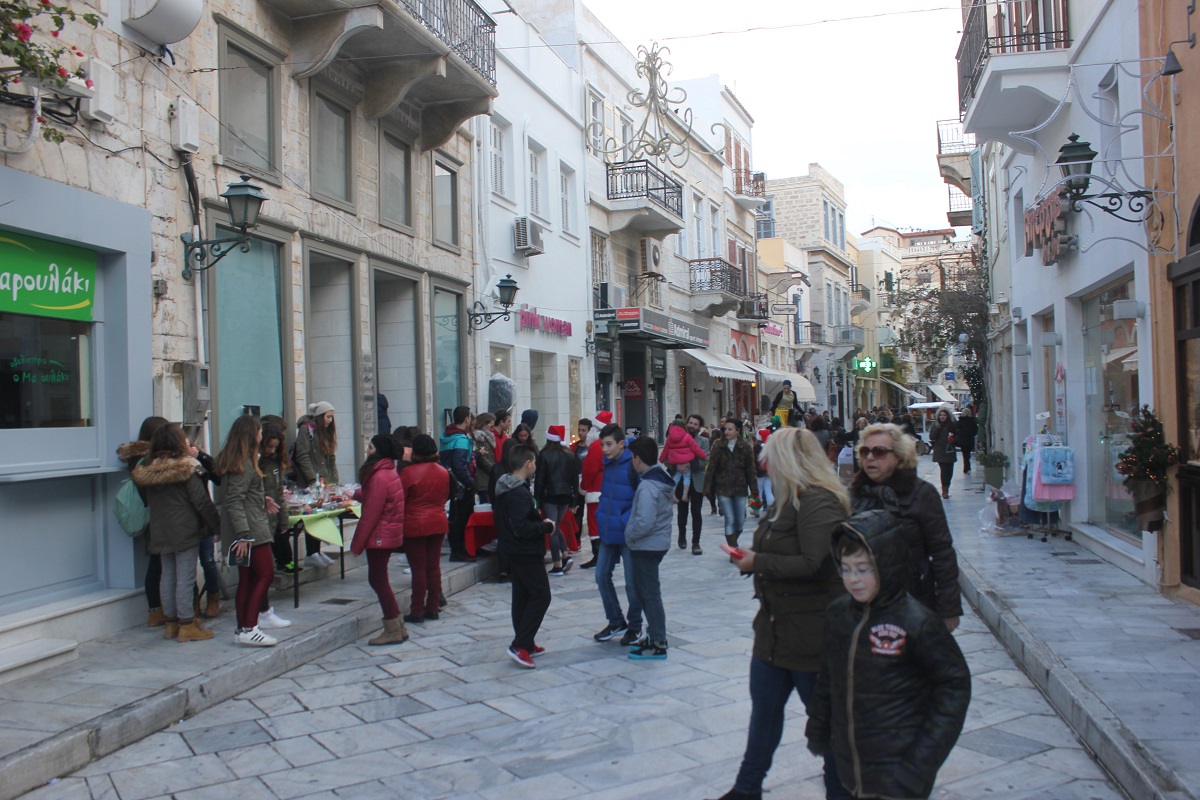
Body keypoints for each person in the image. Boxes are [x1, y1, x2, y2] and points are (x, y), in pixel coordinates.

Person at [712, 427, 852, 800]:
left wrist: (758, 562)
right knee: (764, 716)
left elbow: (815, 563)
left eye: (770, 458)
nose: (765, 465)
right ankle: (746, 789)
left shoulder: (819, 502)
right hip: (774, 630)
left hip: (811, 634)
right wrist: (753, 559)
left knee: (826, 726)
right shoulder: (785, 500)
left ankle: (841, 792)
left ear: (789, 460)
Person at [806, 511, 971, 799]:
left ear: (887, 565)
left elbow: (954, 686)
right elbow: (829, 676)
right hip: (849, 766)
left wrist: (920, 763)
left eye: (863, 569)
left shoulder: (917, 622)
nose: (854, 579)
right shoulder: (839, 614)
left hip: (900, 771)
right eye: (846, 569)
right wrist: (819, 725)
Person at [852, 423, 963, 630]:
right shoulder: (855, 495)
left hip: (914, 604)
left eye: (879, 451)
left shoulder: (922, 494)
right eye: (865, 451)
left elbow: (942, 552)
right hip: (863, 608)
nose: (870, 457)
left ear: (899, 456)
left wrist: (949, 609)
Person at [132, 423, 221, 643]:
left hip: (159, 529)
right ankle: (187, 624)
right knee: (185, 577)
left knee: (167, 575)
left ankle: (171, 623)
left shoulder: (147, 470)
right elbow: (201, 501)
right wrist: (215, 526)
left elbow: (145, 500)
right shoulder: (187, 467)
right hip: (185, 529)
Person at [215, 416, 278, 647]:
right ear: (252, 434)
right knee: (265, 574)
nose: (262, 434)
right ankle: (250, 627)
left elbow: (241, 496)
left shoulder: (239, 461)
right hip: (251, 532)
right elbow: (234, 500)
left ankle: (242, 628)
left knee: (248, 579)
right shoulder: (244, 463)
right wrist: (243, 534)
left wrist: (261, 499)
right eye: (259, 430)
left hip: (247, 528)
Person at [495, 444, 555, 669]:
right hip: (525, 550)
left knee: (522, 596)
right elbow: (521, 527)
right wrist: (546, 527)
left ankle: (526, 642)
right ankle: (519, 644)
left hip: (514, 549)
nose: (536, 467)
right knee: (541, 595)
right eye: (535, 463)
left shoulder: (507, 488)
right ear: (528, 463)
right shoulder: (518, 493)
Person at [350, 435, 408, 645]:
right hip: (386, 532)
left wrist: (356, 545)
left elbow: (370, 514)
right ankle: (398, 626)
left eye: (371, 447)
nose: (367, 450)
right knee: (379, 579)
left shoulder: (379, 476)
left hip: (380, 535)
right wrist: (355, 494)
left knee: (378, 580)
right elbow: (376, 497)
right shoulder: (388, 471)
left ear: (380, 451)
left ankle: (392, 628)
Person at [592, 423, 644, 646]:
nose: (604, 449)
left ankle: (635, 626)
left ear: (621, 444)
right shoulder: (608, 464)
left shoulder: (634, 464)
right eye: (602, 445)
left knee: (632, 583)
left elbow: (644, 497)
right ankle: (615, 621)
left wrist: (625, 520)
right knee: (601, 575)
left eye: (608, 444)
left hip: (628, 534)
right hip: (608, 531)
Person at [624, 436, 673, 660]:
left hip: (647, 545)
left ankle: (658, 642)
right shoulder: (659, 478)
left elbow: (644, 521)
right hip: (655, 543)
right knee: (646, 592)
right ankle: (654, 634)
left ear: (638, 459)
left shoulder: (647, 486)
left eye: (632, 458)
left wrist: (629, 534)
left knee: (649, 594)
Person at [118, 415, 170, 628]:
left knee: (156, 565)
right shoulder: (151, 461)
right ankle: (165, 612)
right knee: (163, 566)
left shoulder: (135, 460)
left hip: (150, 518)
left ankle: (154, 611)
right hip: (159, 518)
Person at [401, 435, 451, 622]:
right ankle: (433, 607)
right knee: (433, 567)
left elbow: (401, 498)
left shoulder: (408, 472)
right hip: (438, 520)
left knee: (418, 568)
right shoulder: (443, 472)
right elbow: (444, 496)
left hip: (415, 523)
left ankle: (416, 610)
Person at [293, 401, 339, 568]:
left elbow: (331, 458)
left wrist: (334, 482)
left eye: (332, 417)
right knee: (312, 517)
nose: (330, 420)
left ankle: (316, 551)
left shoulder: (326, 433)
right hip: (310, 483)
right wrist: (312, 480)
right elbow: (302, 455)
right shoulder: (306, 430)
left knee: (321, 517)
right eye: (328, 417)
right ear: (320, 416)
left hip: (323, 482)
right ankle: (311, 553)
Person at [256, 422, 293, 629]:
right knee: (264, 572)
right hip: (258, 523)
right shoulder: (255, 463)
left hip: (271, 521)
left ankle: (262, 612)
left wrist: (283, 520)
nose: (271, 450)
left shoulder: (276, 464)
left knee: (266, 572)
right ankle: (262, 612)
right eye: (268, 446)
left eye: (274, 447)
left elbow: (279, 493)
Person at [704, 418, 760, 548]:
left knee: (740, 520)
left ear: (738, 431)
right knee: (729, 519)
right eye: (726, 429)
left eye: (730, 429)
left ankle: (733, 542)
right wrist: (707, 488)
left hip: (740, 488)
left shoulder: (745, 446)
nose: (727, 432)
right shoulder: (718, 445)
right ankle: (733, 548)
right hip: (723, 488)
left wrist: (754, 490)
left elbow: (751, 470)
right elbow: (711, 468)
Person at [536, 425, 579, 576]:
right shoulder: (570, 455)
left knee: (552, 529)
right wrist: (574, 500)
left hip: (550, 496)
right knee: (557, 525)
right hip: (565, 496)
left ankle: (557, 564)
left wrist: (537, 500)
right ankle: (565, 555)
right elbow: (574, 479)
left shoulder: (544, 455)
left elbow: (540, 479)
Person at [440, 406, 477, 562]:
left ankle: (459, 548)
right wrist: (470, 483)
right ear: (466, 419)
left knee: (455, 517)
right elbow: (460, 465)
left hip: (450, 482)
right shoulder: (461, 439)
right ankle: (459, 550)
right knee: (461, 518)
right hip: (461, 485)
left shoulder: (446, 436)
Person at [578, 411, 612, 569]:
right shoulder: (612, 444)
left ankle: (598, 556)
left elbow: (589, 470)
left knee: (594, 523)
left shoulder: (596, 446)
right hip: (609, 488)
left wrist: (583, 488)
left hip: (596, 490)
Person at [675, 414, 711, 554]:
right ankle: (682, 535)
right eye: (690, 423)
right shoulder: (677, 438)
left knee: (696, 512)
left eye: (695, 424)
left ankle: (696, 543)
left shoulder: (703, 441)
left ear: (699, 427)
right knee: (682, 511)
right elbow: (668, 458)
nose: (692, 426)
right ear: (686, 423)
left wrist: (688, 463)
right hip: (681, 481)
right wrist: (677, 465)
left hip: (697, 481)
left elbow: (704, 461)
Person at [659, 419, 707, 503]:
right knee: (687, 478)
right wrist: (703, 455)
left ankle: (673, 494)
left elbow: (665, 450)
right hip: (686, 461)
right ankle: (685, 494)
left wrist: (661, 459)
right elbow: (695, 448)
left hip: (676, 462)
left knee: (676, 478)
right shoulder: (687, 436)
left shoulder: (670, 438)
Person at [928, 405, 959, 499]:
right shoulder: (936, 425)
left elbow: (957, 435)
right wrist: (938, 428)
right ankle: (944, 490)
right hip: (940, 451)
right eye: (941, 415)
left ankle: (947, 487)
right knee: (944, 471)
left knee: (950, 472)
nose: (942, 417)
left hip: (950, 451)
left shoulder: (951, 425)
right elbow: (932, 437)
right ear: (938, 416)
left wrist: (953, 440)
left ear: (947, 416)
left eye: (944, 415)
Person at [472, 412, 497, 503]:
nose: (493, 429)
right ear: (483, 424)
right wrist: (494, 470)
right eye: (491, 426)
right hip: (483, 480)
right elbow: (482, 459)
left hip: (488, 479)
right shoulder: (479, 437)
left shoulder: (487, 437)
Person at [957, 406, 979, 475]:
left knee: (965, 455)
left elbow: (957, 430)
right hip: (970, 440)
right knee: (968, 454)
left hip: (962, 441)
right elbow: (975, 430)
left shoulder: (960, 421)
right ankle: (967, 468)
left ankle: (966, 468)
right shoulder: (972, 421)